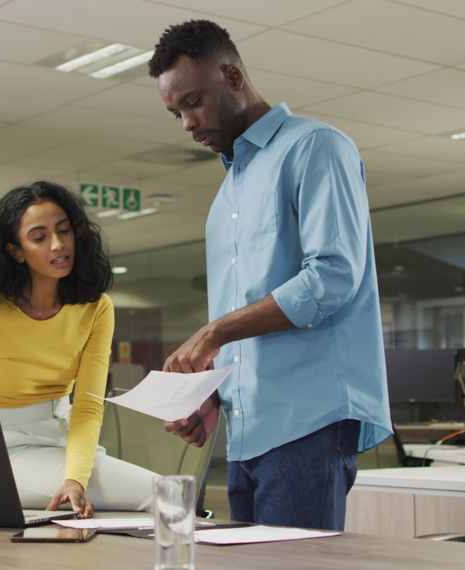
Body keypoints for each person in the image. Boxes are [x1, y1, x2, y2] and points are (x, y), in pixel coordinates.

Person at [149, 20, 393, 530]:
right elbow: (246, 318)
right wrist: (212, 395)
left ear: (234, 75)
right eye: (176, 113)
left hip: (308, 423)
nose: (187, 125)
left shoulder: (316, 147)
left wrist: (215, 332)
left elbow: (331, 278)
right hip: (245, 435)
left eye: (193, 102)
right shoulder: (225, 199)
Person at [0, 180, 155, 517]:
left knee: (157, 498)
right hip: (5, 451)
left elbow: (87, 406)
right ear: (15, 251)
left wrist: (75, 479)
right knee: (163, 495)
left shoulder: (95, 308)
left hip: (64, 439)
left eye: (64, 231)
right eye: (39, 237)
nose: (58, 245)